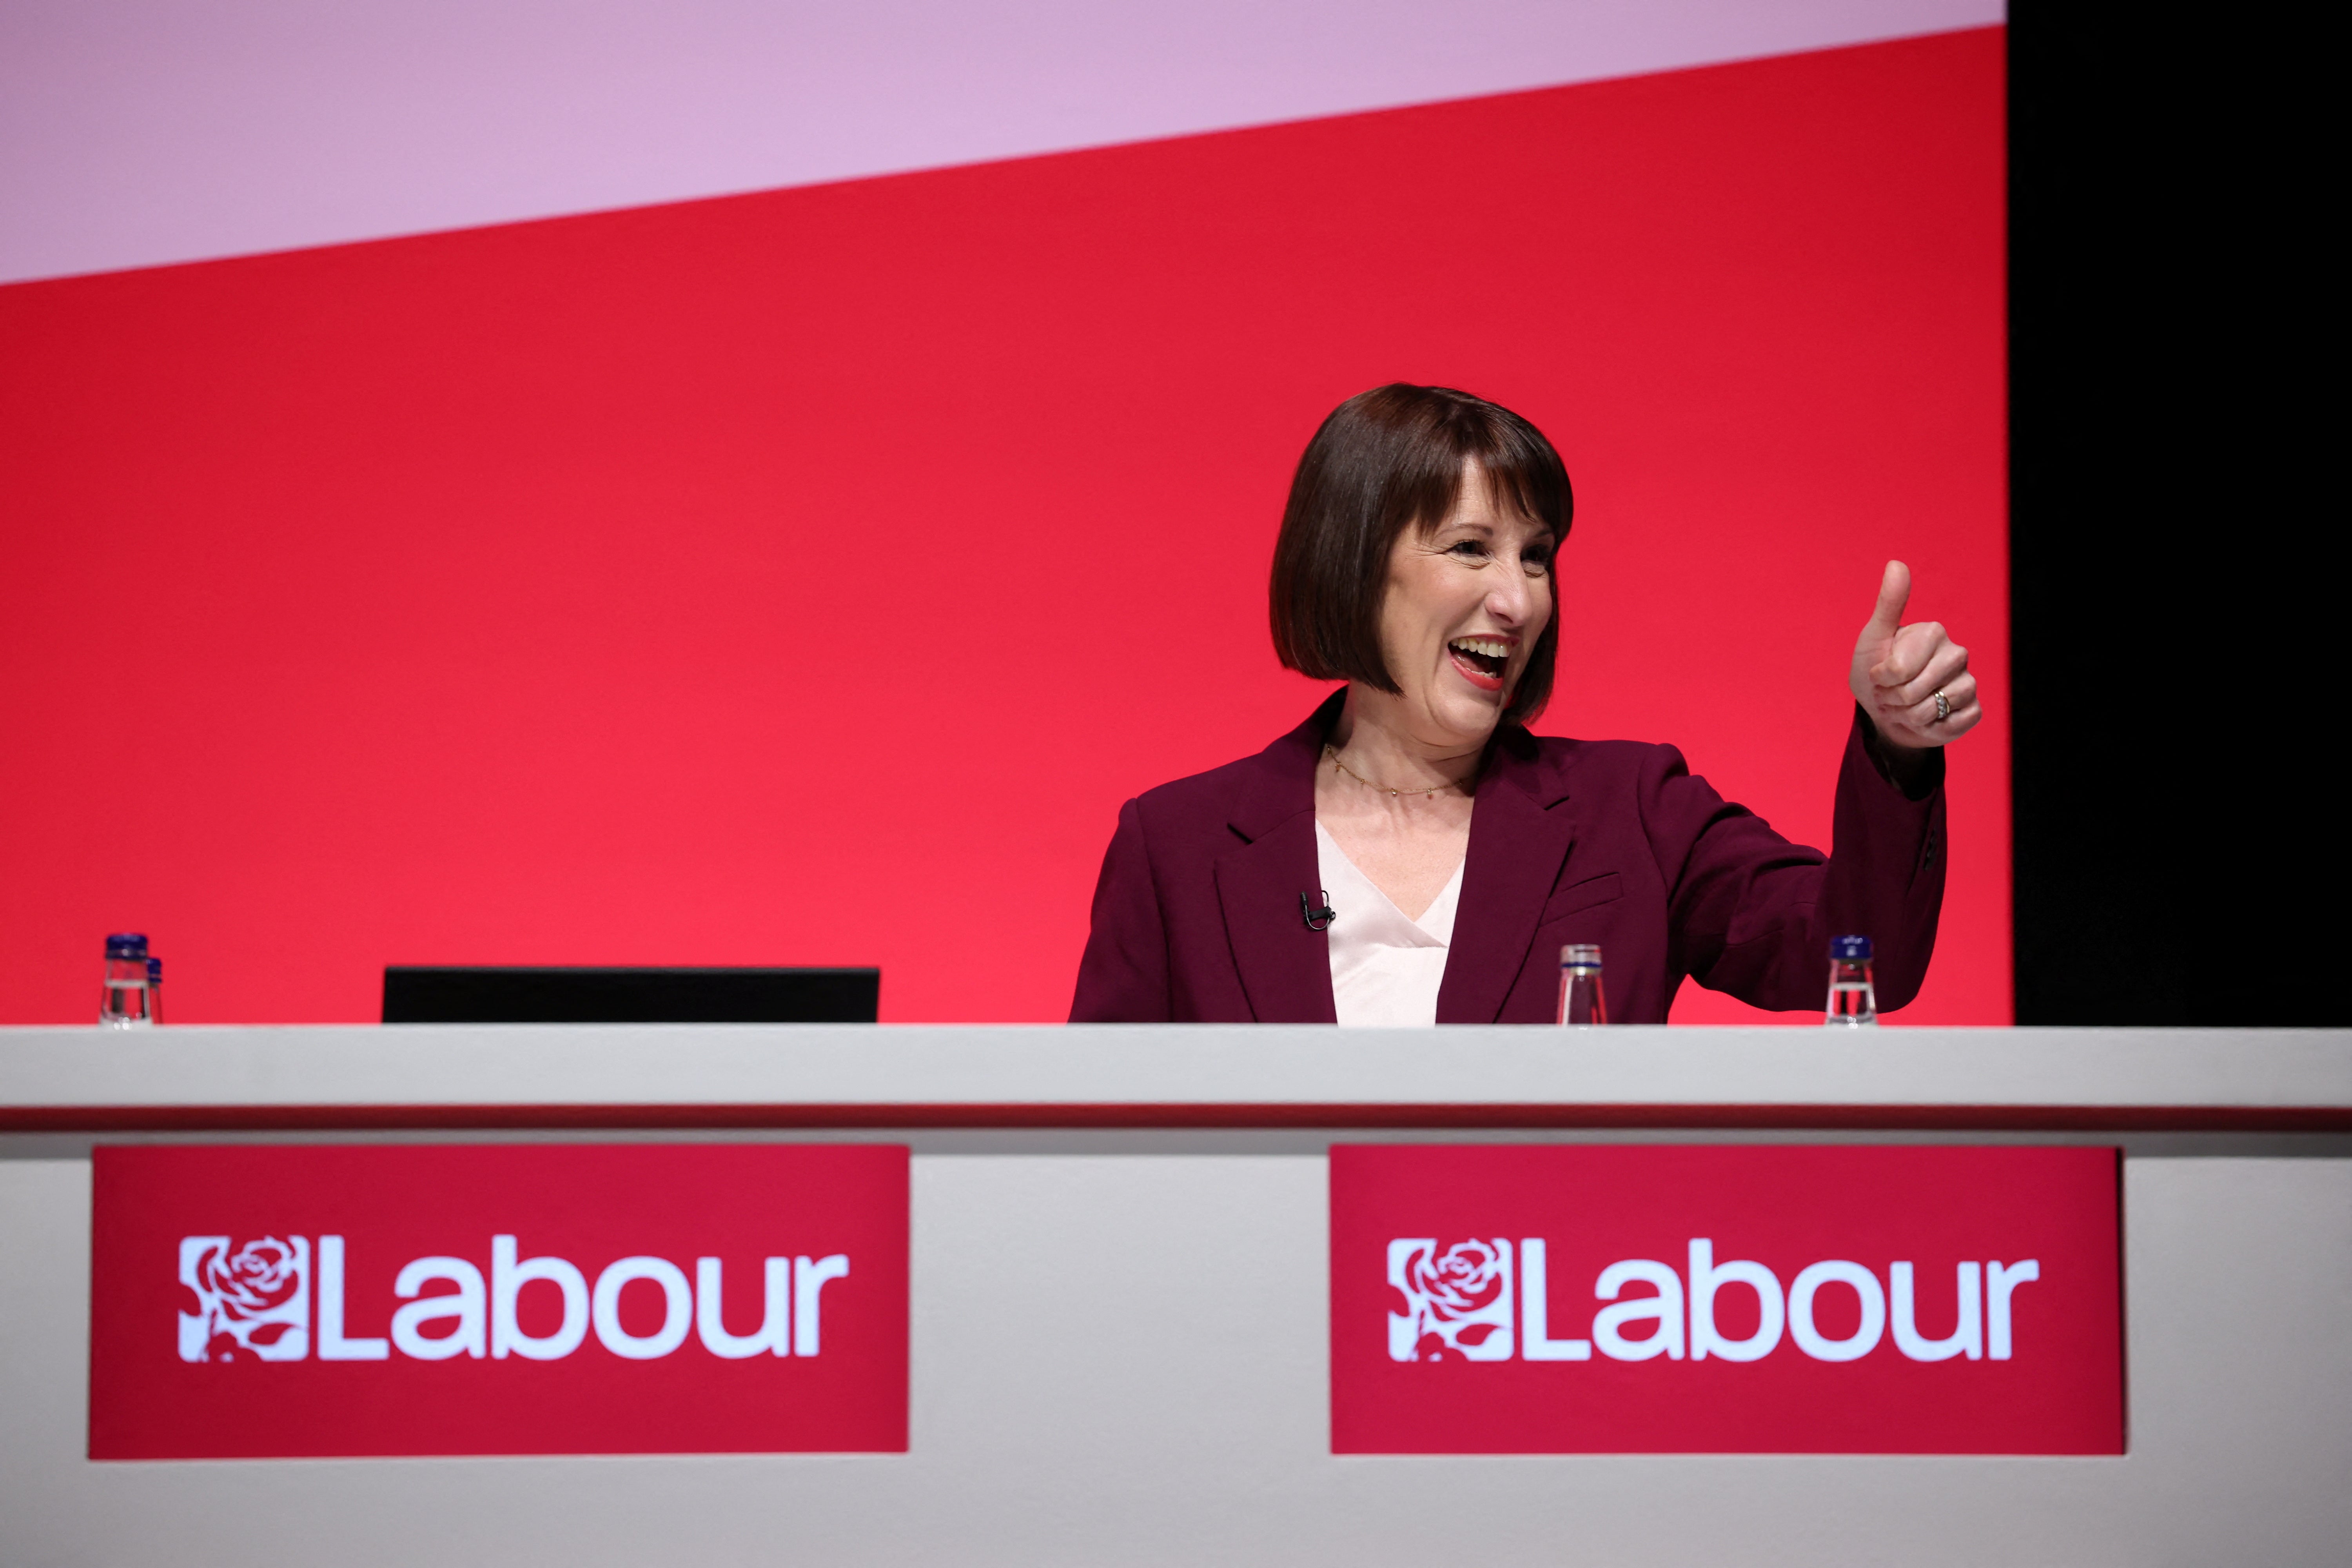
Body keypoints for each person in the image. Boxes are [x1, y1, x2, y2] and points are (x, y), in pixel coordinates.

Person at [1070, 384, 1979, 1024]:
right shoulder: (1177, 848)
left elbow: (1857, 960)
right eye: (1471, 548)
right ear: (1352, 564)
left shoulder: (1632, 808)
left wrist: (1895, 745)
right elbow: (1100, 1155)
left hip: (1550, 1290)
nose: (1520, 599)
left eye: (1536, 555)